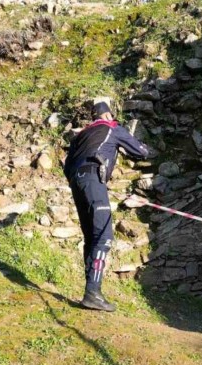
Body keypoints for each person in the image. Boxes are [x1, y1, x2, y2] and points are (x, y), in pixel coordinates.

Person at [64, 101, 150, 312]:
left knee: (91, 237)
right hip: (93, 179)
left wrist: (85, 180)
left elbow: (67, 166)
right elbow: (141, 152)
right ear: (109, 114)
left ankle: (91, 290)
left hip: (77, 182)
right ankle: (92, 293)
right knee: (103, 236)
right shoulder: (112, 127)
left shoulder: (82, 134)